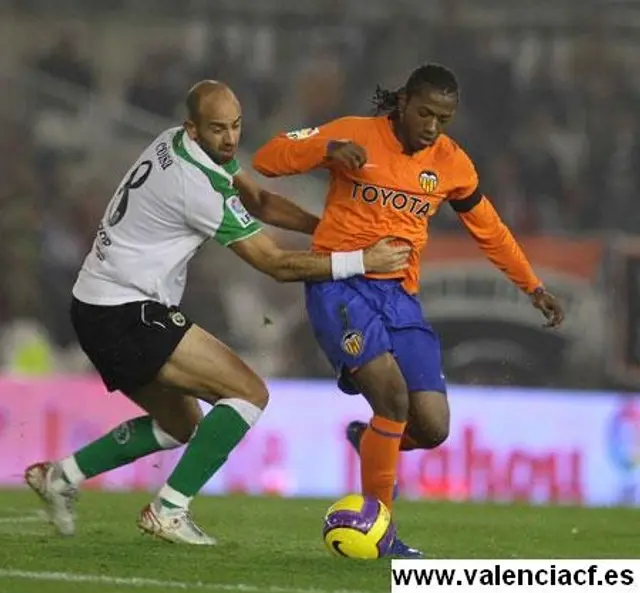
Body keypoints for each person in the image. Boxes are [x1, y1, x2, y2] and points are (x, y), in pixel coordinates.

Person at [24, 81, 410, 546]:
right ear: (194, 127)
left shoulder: (178, 143)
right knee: (248, 392)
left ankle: (60, 477)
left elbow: (261, 202)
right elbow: (273, 264)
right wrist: (363, 260)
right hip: (126, 310)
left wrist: (333, 230)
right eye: (218, 129)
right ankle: (168, 510)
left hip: (98, 304)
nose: (230, 139)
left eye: (235, 126)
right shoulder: (195, 186)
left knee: (181, 425)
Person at [252, 64, 565, 558]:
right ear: (402, 103)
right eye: (425, 113)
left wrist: (533, 286)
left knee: (434, 427)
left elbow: (490, 230)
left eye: (444, 118)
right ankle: (383, 529)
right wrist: (326, 150)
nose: (433, 126)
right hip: (338, 285)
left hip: (399, 295)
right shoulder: (354, 133)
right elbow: (268, 158)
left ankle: (370, 439)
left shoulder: (452, 164)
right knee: (392, 398)